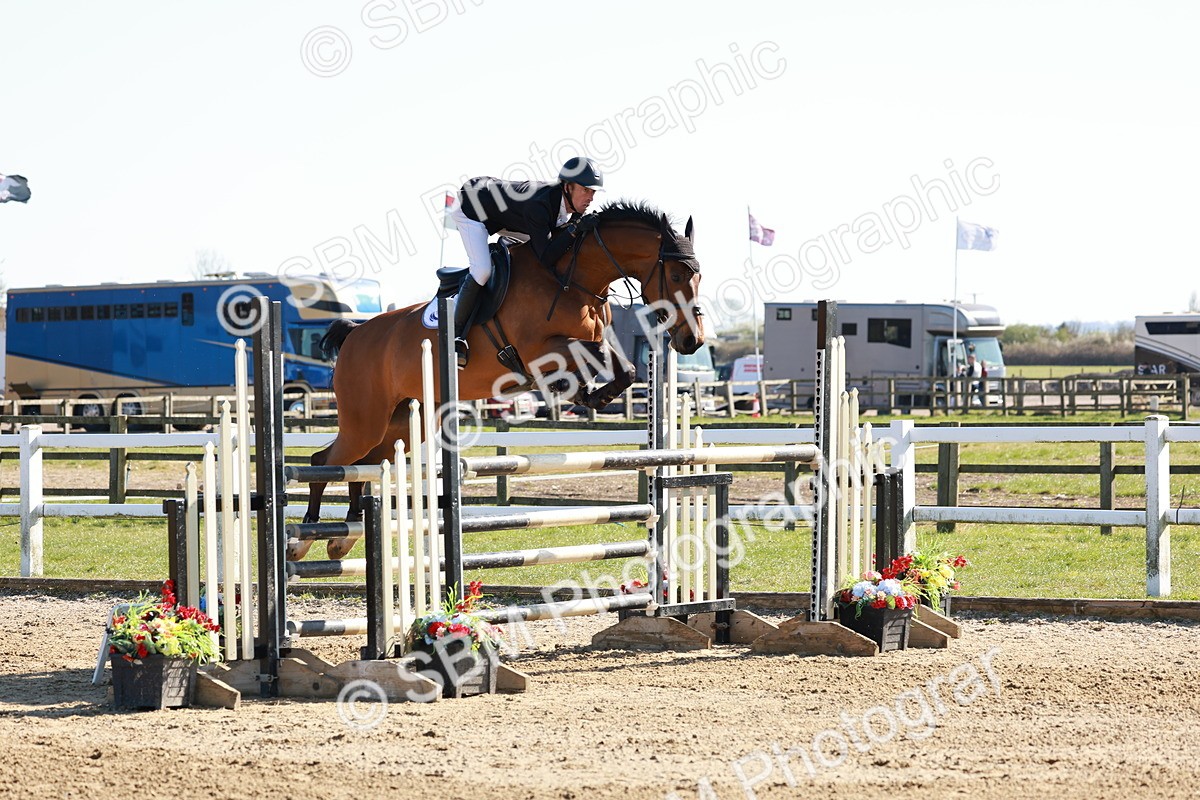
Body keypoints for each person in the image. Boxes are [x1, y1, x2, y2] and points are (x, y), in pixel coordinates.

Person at [447, 156, 604, 367]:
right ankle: (455, 335)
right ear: (568, 187)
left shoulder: (565, 207)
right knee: (482, 270)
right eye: (585, 190)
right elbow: (547, 257)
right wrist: (575, 229)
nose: (590, 198)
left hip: (506, 216)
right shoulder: (540, 206)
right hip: (472, 208)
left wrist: (577, 227)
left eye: (593, 192)